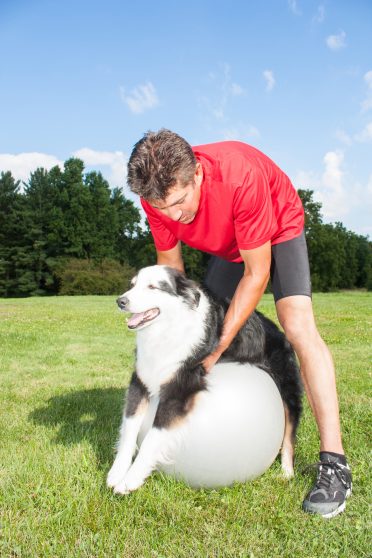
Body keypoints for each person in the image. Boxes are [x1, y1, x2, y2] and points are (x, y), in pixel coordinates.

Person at [126, 128, 352, 518]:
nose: (173, 215)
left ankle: (335, 463)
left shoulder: (239, 175)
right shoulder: (157, 196)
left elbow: (256, 273)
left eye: (180, 203)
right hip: (229, 245)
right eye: (162, 209)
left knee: (295, 325)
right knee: (202, 329)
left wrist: (215, 347)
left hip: (278, 226)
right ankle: (205, 432)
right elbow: (172, 274)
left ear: (196, 173)